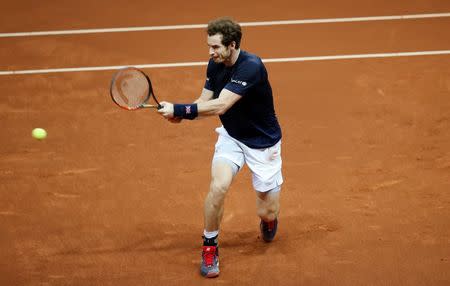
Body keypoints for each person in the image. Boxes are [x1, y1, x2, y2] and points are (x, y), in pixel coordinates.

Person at [157, 17, 283, 278]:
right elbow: (205, 101)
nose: (210, 52)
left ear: (232, 45)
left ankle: (269, 219)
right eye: (209, 46)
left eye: (215, 47)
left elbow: (221, 105)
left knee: (267, 211)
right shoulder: (215, 64)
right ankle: (210, 244)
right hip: (232, 136)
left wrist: (180, 108)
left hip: (262, 143)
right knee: (218, 186)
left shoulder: (252, 66)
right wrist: (184, 115)